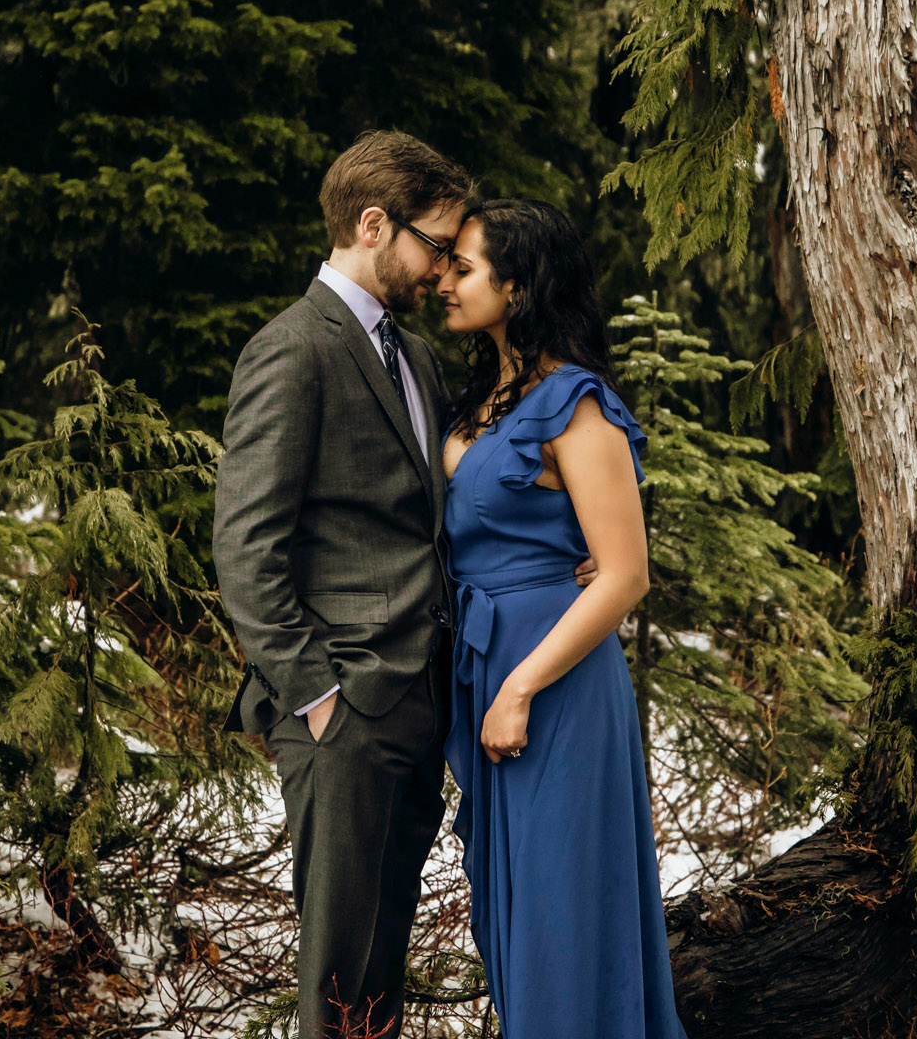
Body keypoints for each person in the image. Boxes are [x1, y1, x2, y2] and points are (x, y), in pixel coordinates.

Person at [211, 131, 477, 1039]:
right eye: (435, 245)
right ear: (374, 225)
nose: (444, 271)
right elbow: (247, 546)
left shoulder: (417, 359)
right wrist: (319, 695)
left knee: (379, 964)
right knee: (338, 970)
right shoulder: (293, 350)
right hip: (346, 709)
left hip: (417, 696)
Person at [436, 198, 688, 1039]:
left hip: (554, 688)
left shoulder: (575, 403)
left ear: (517, 284)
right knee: (514, 916)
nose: (443, 279)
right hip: (491, 669)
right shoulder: (482, 397)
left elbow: (624, 576)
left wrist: (519, 688)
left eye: (463, 266)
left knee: (561, 917)